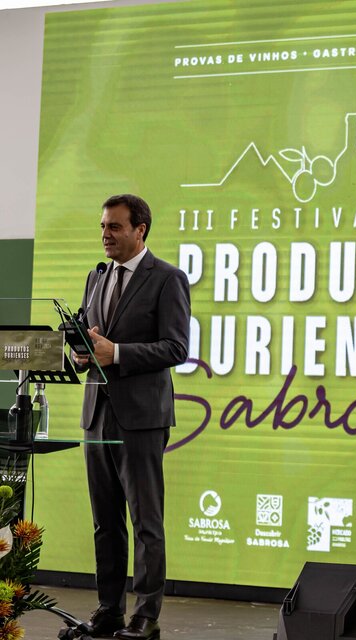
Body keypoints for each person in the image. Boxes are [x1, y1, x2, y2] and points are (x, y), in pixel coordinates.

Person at [72, 194, 190, 640]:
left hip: (141, 418)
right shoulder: (96, 276)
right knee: (105, 521)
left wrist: (116, 353)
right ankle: (109, 610)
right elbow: (91, 336)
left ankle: (146, 616)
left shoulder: (168, 279)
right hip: (97, 414)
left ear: (140, 230)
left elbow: (176, 347)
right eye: (103, 226)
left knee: (145, 522)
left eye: (115, 227)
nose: (106, 234)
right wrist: (83, 352)